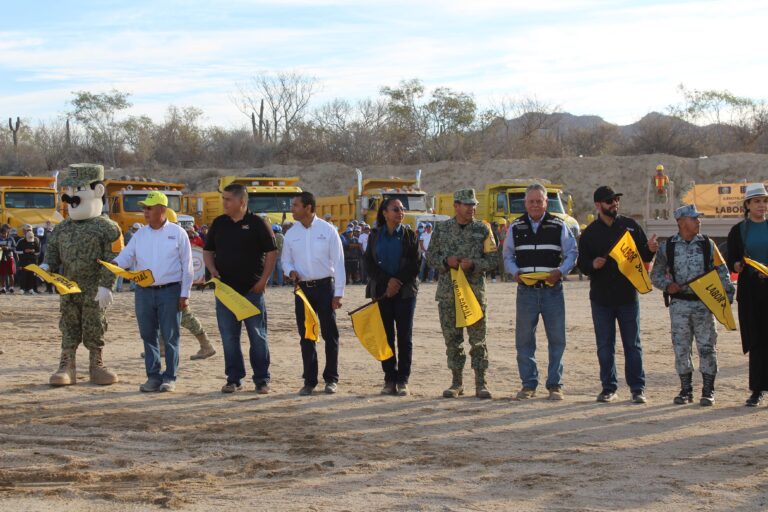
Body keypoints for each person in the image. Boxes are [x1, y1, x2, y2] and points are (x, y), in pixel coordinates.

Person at [43, 163, 123, 386]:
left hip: (94, 288)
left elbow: (113, 260)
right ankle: (67, 365)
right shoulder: (62, 228)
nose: (70, 197)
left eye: (78, 189)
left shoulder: (108, 228)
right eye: (68, 190)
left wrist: (107, 285)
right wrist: (47, 267)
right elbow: (52, 252)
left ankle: (96, 364)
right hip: (68, 288)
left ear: (97, 191)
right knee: (68, 325)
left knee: (94, 325)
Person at [578, 185, 658, 404]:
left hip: (627, 298)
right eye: (609, 201)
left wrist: (650, 248)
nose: (614, 204)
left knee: (632, 345)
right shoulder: (589, 233)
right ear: (598, 205)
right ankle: (608, 388)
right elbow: (581, 265)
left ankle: (637, 388)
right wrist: (592, 264)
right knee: (605, 346)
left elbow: (644, 255)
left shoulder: (630, 226)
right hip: (601, 299)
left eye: (615, 200)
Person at [651, 205, 734, 406]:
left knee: (707, 347)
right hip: (679, 305)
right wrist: (667, 285)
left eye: (698, 218)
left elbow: (722, 272)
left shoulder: (708, 245)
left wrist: (727, 298)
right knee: (681, 348)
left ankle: (708, 390)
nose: (699, 221)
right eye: (694, 218)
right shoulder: (667, 246)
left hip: (705, 305)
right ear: (681, 222)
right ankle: (685, 390)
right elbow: (655, 274)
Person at [503, 183, 578, 401]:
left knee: (557, 339)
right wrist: (514, 272)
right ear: (525, 204)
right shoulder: (515, 227)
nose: (535, 205)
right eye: (531, 201)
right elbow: (507, 255)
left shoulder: (558, 224)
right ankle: (528, 384)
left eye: (539, 201)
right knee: (524, 340)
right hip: (526, 292)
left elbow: (572, 253)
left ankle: (555, 384)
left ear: (546, 202)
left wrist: (561, 271)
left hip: (552, 291)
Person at [114, 191, 193, 392]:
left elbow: (188, 266)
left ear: (162, 209)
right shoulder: (139, 235)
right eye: (144, 208)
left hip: (170, 291)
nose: (145, 212)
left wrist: (185, 294)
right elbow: (125, 258)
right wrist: (111, 265)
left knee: (170, 336)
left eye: (149, 208)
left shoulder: (178, 233)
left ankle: (170, 377)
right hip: (143, 292)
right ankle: (153, 376)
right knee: (148, 335)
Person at [204, 183, 277, 394]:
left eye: (228, 199)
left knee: (258, 336)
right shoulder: (219, 223)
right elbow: (208, 251)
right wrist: (212, 269)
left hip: (252, 292)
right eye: (223, 199)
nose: (224, 203)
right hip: (226, 293)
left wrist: (263, 281)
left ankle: (262, 379)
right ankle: (233, 379)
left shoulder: (258, 224)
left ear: (241, 202)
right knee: (229, 337)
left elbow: (271, 253)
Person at [426, 189, 499, 399]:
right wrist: (444, 262)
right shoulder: (442, 229)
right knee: (452, 340)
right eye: (467, 204)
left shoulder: (483, 229)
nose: (471, 208)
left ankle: (481, 383)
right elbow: (430, 257)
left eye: (473, 204)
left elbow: (494, 260)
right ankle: (456, 382)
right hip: (449, 294)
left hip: (474, 294)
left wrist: (475, 264)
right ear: (456, 206)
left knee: (478, 341)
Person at [281, 191, 345, 396]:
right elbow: (285, 260)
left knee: (329, 334)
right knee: (307, 335)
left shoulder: (328, 231)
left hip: (326, 288)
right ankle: (309, 381)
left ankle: (331, 379)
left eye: (295, 205)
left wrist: (339, 294)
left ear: (308, 207)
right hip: (302, 290)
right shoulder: (291, 233)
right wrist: (289, 270)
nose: (292, 209)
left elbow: (339, 263)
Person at [363, 198, 420, 396]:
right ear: (385, 212)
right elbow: (369, 264)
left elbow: (415, 264)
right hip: (382, 292)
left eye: (402, 209)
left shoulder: (409, 235)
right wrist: (387, 282)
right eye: (395, 209)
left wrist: (396, 282)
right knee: (386, 336)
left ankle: (403, 379)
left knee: (404, 336)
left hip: (404, 293)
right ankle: (389, 378)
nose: (400, 212)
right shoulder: (375, 235)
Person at [727, 183, 768, 407]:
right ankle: (757, 389)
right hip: (752, 292)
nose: (762, 205)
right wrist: (736, 264)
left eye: (764, 201)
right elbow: (731, 259)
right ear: (748, 205)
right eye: (757, 201)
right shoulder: (739, 231)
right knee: (757, 340)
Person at [14, 225, 41, 295]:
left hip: (33, 261)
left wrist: (33, 251)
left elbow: (38, 252)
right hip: (23, 261)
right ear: (24, 231)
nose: (29, 232)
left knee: (32, 275)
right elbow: (16, 251)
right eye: (27, 230)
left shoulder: (36, 240)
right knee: (23, 275)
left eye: (30, 230)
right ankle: (22, 289)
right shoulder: (21, 241)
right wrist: (24, 251)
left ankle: (31, 289)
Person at [0, 224, 17, 294]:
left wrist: (8, 248)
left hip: (10, 257)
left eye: (6, 232)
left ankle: (11, 287)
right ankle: (3, 287)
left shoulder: (11, 239)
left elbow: (14, 248)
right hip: (1, 257)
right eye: (3, 233)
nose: (4, 234)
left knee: (11, 273)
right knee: (2, 273)